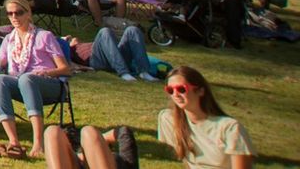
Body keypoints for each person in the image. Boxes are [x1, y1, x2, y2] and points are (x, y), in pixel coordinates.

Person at [42, 65, 252, 169]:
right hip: (100, 158)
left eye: (181, 89)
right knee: (52, 131)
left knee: (88, 132)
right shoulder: (171, 120)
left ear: (201, 91)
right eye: (170, 90)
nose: (176, 95)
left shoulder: (229, 128)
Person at [0, 0, 74, 158]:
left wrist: (46, 72)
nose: (14, 17)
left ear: (28, 13)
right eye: (10, 14)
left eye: (18, 13)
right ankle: (14, 142)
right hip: (21, 82)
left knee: (27, 78)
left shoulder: (44, 36)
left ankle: (38, 143)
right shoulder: (9, 39)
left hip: (50, 85)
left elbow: (65, 69)